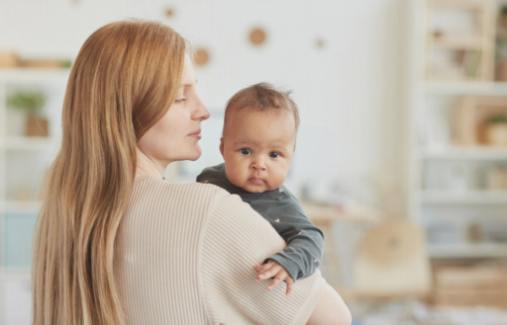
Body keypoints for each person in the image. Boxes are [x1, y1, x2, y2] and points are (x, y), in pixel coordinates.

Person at [32, 19, 351, 325]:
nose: (202, 110)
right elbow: (334, 317)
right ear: (129, 109)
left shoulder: (66, 211)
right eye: (181, 97)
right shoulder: (205, 209)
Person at [197, 83, 324, 295]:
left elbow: (312, 239)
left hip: (252, 289)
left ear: (291, 155)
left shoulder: (282, 206)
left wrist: (287, 263)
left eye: (274, 155)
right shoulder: (209, 179)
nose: (259, 164)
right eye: (246, 151)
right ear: (223, 149)